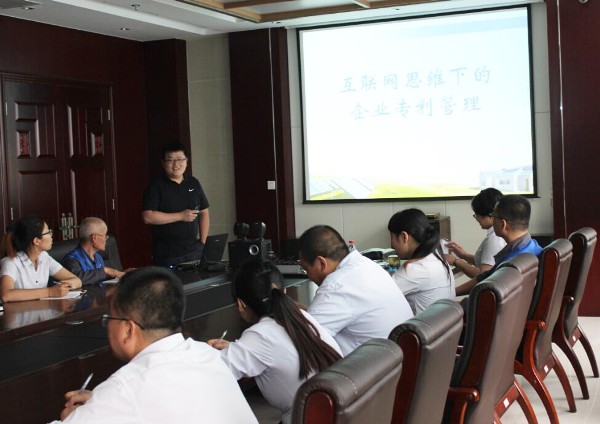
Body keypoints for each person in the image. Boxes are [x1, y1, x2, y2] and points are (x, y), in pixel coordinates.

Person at [51, 267, 257, 424]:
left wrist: (75, 416)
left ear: (128, 329)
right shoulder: (207, 354)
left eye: (110, 318)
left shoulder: (126, 386)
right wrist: (102, 402)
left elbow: (131, 397)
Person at [208, 260, 342, 424]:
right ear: (284, 291)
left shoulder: (259, 335)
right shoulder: (301, 317)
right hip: (338, 414)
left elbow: (212, 371)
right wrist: (237, 348)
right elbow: (277, 348)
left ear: (240, 305)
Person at [299, 225, 413, 355]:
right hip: (396, 359)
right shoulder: (366, 264)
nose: (308, 275)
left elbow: (304, 340)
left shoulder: (337, 284)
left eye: (306, 268)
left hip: (373, 364)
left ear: (321, 263)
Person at [455, 194, 542, 296]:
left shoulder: (511, 263)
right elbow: (486, 276)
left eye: (493, 216)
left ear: (503, 224)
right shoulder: (533, 246)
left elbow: (485, 285)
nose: (492, 219)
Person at [142, 141, 210, 267]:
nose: (176, 164)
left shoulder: (193, 183)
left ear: (186, 160)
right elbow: (148, 217)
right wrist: (181, 216)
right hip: (167, 253)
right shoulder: (156, 186)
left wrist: (203, 242)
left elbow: (204, 212)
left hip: (194, 250)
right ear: (163, 163)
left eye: (180, 159)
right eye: (170, 160)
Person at [388, 208, 456, 315]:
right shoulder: (439, 259)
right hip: (441, 324)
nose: (391, 245)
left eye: (392, 237)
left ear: (404, 237)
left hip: (422, 325)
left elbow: (377, 297)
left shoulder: (414, 269)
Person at [0, 215, 81, 303]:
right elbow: (6, 295)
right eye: (48, 232)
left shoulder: (44, 257)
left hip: (44, 310)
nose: (51, 235)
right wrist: (50, 292)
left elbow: (76, 280)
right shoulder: (10, 262)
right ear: (36, 241)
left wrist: (64, 287)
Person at [444, 188, 506, 278]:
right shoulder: (497, 235)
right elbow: (486, 262)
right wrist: (463, 255)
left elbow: (484, 276)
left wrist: (456, 261)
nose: (476, 218)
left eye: (476, 214)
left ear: (490, 215)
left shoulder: (494, 239)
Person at [62, 217, 126, 285]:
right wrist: (105, 271)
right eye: (105, 236)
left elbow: (100, 278)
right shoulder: (71, 260)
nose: (106, 239)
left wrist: (123, 274)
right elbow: (76, 279)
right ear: (94, 237)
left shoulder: (98, 257)